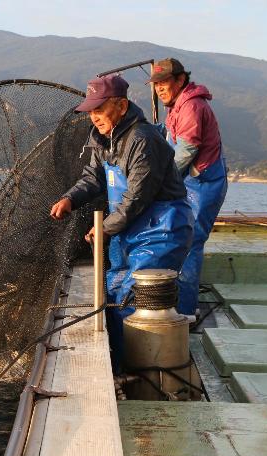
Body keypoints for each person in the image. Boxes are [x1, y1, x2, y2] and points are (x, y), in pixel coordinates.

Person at [50, 74, 193, 370]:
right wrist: (70, 199)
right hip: (128, 229)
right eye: (90, 110)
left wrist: (104, 228)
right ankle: (117, 364)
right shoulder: (102, 137)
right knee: (114, 292)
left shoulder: (143, 139)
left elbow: (138, 197)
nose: (94, 117)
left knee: (135, 296)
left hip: (161, 229)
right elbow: (94, 177)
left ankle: (143, 370)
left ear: (122, 106)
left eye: (99, 110)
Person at [149, 58, 227, 318]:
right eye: (156, 84)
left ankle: (186, 311)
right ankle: (179, 301)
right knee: (181, 237)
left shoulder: (191, 106)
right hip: (191, 183)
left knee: (191, 241)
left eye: (164, 82)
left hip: (204, 184)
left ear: (180, 80)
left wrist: (158, 181)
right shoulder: (178, 106)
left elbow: (185, 152)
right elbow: (170, 138)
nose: (159, 88)